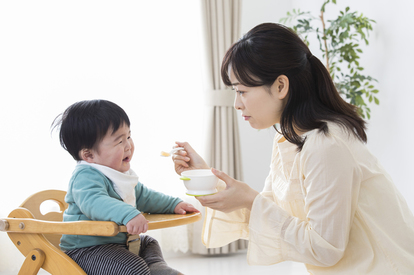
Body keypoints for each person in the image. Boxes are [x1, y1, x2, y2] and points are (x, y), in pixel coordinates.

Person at [172, 23, 414, 274]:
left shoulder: (326, 145)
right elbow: (268, 210)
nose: (237, 104)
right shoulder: (289, 138)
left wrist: (250, 200)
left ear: (280, 86)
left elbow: (325, 248)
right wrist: (206, 177)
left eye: (242, 91)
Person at [52, 99, 198, 275]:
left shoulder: (117, 173)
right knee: (133, 267)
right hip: (87, 251)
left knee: (148, 242)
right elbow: (95, 202)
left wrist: (173, 205)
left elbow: (142, 195)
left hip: (118, 245)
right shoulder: (85, 176)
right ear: (89, 154)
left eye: (128, 136)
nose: (128, 145)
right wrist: (128, 214)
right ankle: (144, 270)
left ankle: (155, 268)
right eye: (119, 141)